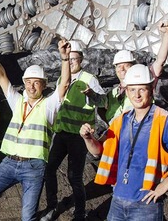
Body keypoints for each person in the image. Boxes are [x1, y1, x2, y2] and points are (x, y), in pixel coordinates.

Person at [0, 39, 72, 221]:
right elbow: (0, 75)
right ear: (24, 82)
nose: (31, 86)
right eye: (28, 82)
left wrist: (64, 59)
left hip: (34, 167)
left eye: (36, 83)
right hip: (8, 163)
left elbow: (64, 85)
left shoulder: (49, 106)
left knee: (27, 217)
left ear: (44, 85)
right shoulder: (17, 102)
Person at [79, 64, 168, 220]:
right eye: (132, 89)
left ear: (151, 89)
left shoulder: (165, 120)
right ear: (127, 91)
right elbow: (98, 151)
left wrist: (165, 184)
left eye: (142, 89)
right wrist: (88, 138)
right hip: (117, 200)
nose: (137, 95)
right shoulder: (121, 120)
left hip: (146, 205)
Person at [41, 40, 105, 221]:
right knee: (49, 170)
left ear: (81, 59)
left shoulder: (90, 79)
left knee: (74, 176)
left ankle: (79, 213)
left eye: (74, 59)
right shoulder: (62, 78)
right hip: (61, 133)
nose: (71, 62)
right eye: (68, 59)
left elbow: (103, 103)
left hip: (79, 136)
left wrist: (92, 94)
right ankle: (52, 207)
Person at [99, 21, 168, 124]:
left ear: (133, 67)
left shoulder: (143, 79)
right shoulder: (113, 93)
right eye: (119, 66)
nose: (122, 69)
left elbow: (160, 61)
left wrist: (166, 35)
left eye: (126, 66)